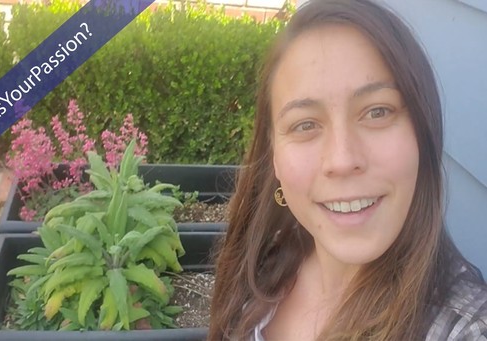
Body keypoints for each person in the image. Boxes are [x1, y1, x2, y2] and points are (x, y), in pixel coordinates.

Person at [208, 0, 487, 340]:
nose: (342, 160)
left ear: (422, 133)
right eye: (305, 124)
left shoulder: (466, 330)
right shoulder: (262, 266)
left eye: (377, 112)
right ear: (274, 156)